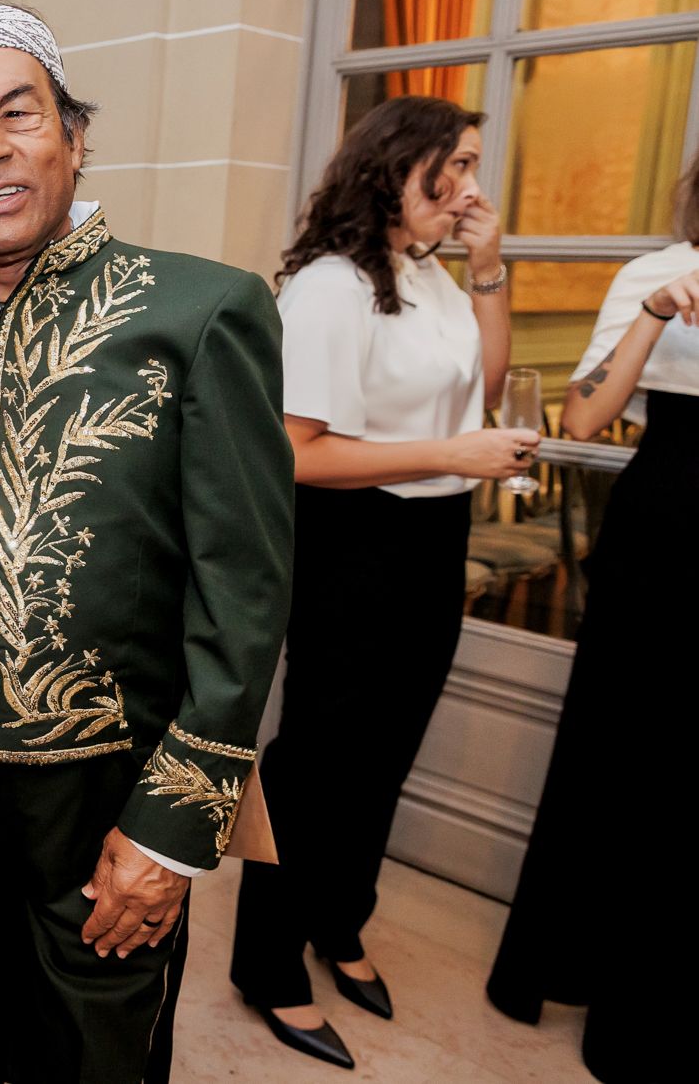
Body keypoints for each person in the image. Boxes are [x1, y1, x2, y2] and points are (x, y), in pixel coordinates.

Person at [0, 0, 293, 1084]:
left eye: (19, 113)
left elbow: (242, 599)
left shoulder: (197, 313)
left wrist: (173, 828)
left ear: (74, 135)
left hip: (105, 804)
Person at [230, 95, 540, 1070]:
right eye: (455, 166)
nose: (471, 187)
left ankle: (340, 921)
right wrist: (454, 449)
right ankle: (268, 960)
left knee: (388, 751)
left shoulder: (435, 280)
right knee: (318, 757)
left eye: (476, 166)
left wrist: (488, 272)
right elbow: (295, 455)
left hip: (434, 533)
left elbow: (486, 384)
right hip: (353, 536)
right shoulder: (329, 285)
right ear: (396, 168)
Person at [487, 153, 699, 1084]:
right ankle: (602, 989)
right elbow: (582, 416)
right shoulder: (653, 273)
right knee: (628, 752)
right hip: (675, 517)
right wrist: (655, 318)